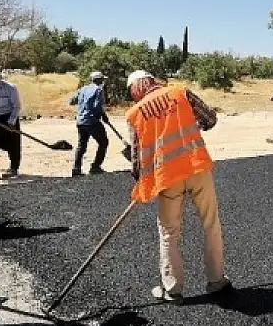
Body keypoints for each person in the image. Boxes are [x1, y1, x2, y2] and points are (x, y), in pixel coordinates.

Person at [124, 70, 232, 302]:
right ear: (152, 81)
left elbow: (137, 161)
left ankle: (172, 290)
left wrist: (141, 181)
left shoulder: (134, 113)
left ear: (135, 89)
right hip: (196, 167)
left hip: (168, 178)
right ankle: (217, 281)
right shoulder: (180, 92)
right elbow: (210, 119)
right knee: (211, 224)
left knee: (168, 232)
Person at [69, 70, 110, 176]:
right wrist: (103, 116)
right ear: (99, 80)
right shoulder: (98, 90)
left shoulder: (83, 89)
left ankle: (76, 169)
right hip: (92, 122)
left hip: (81, 121)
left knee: (81, 145)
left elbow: (72, 101)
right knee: (103, 142)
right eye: (102, 80)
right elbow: (97, 107)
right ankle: (95, 167)